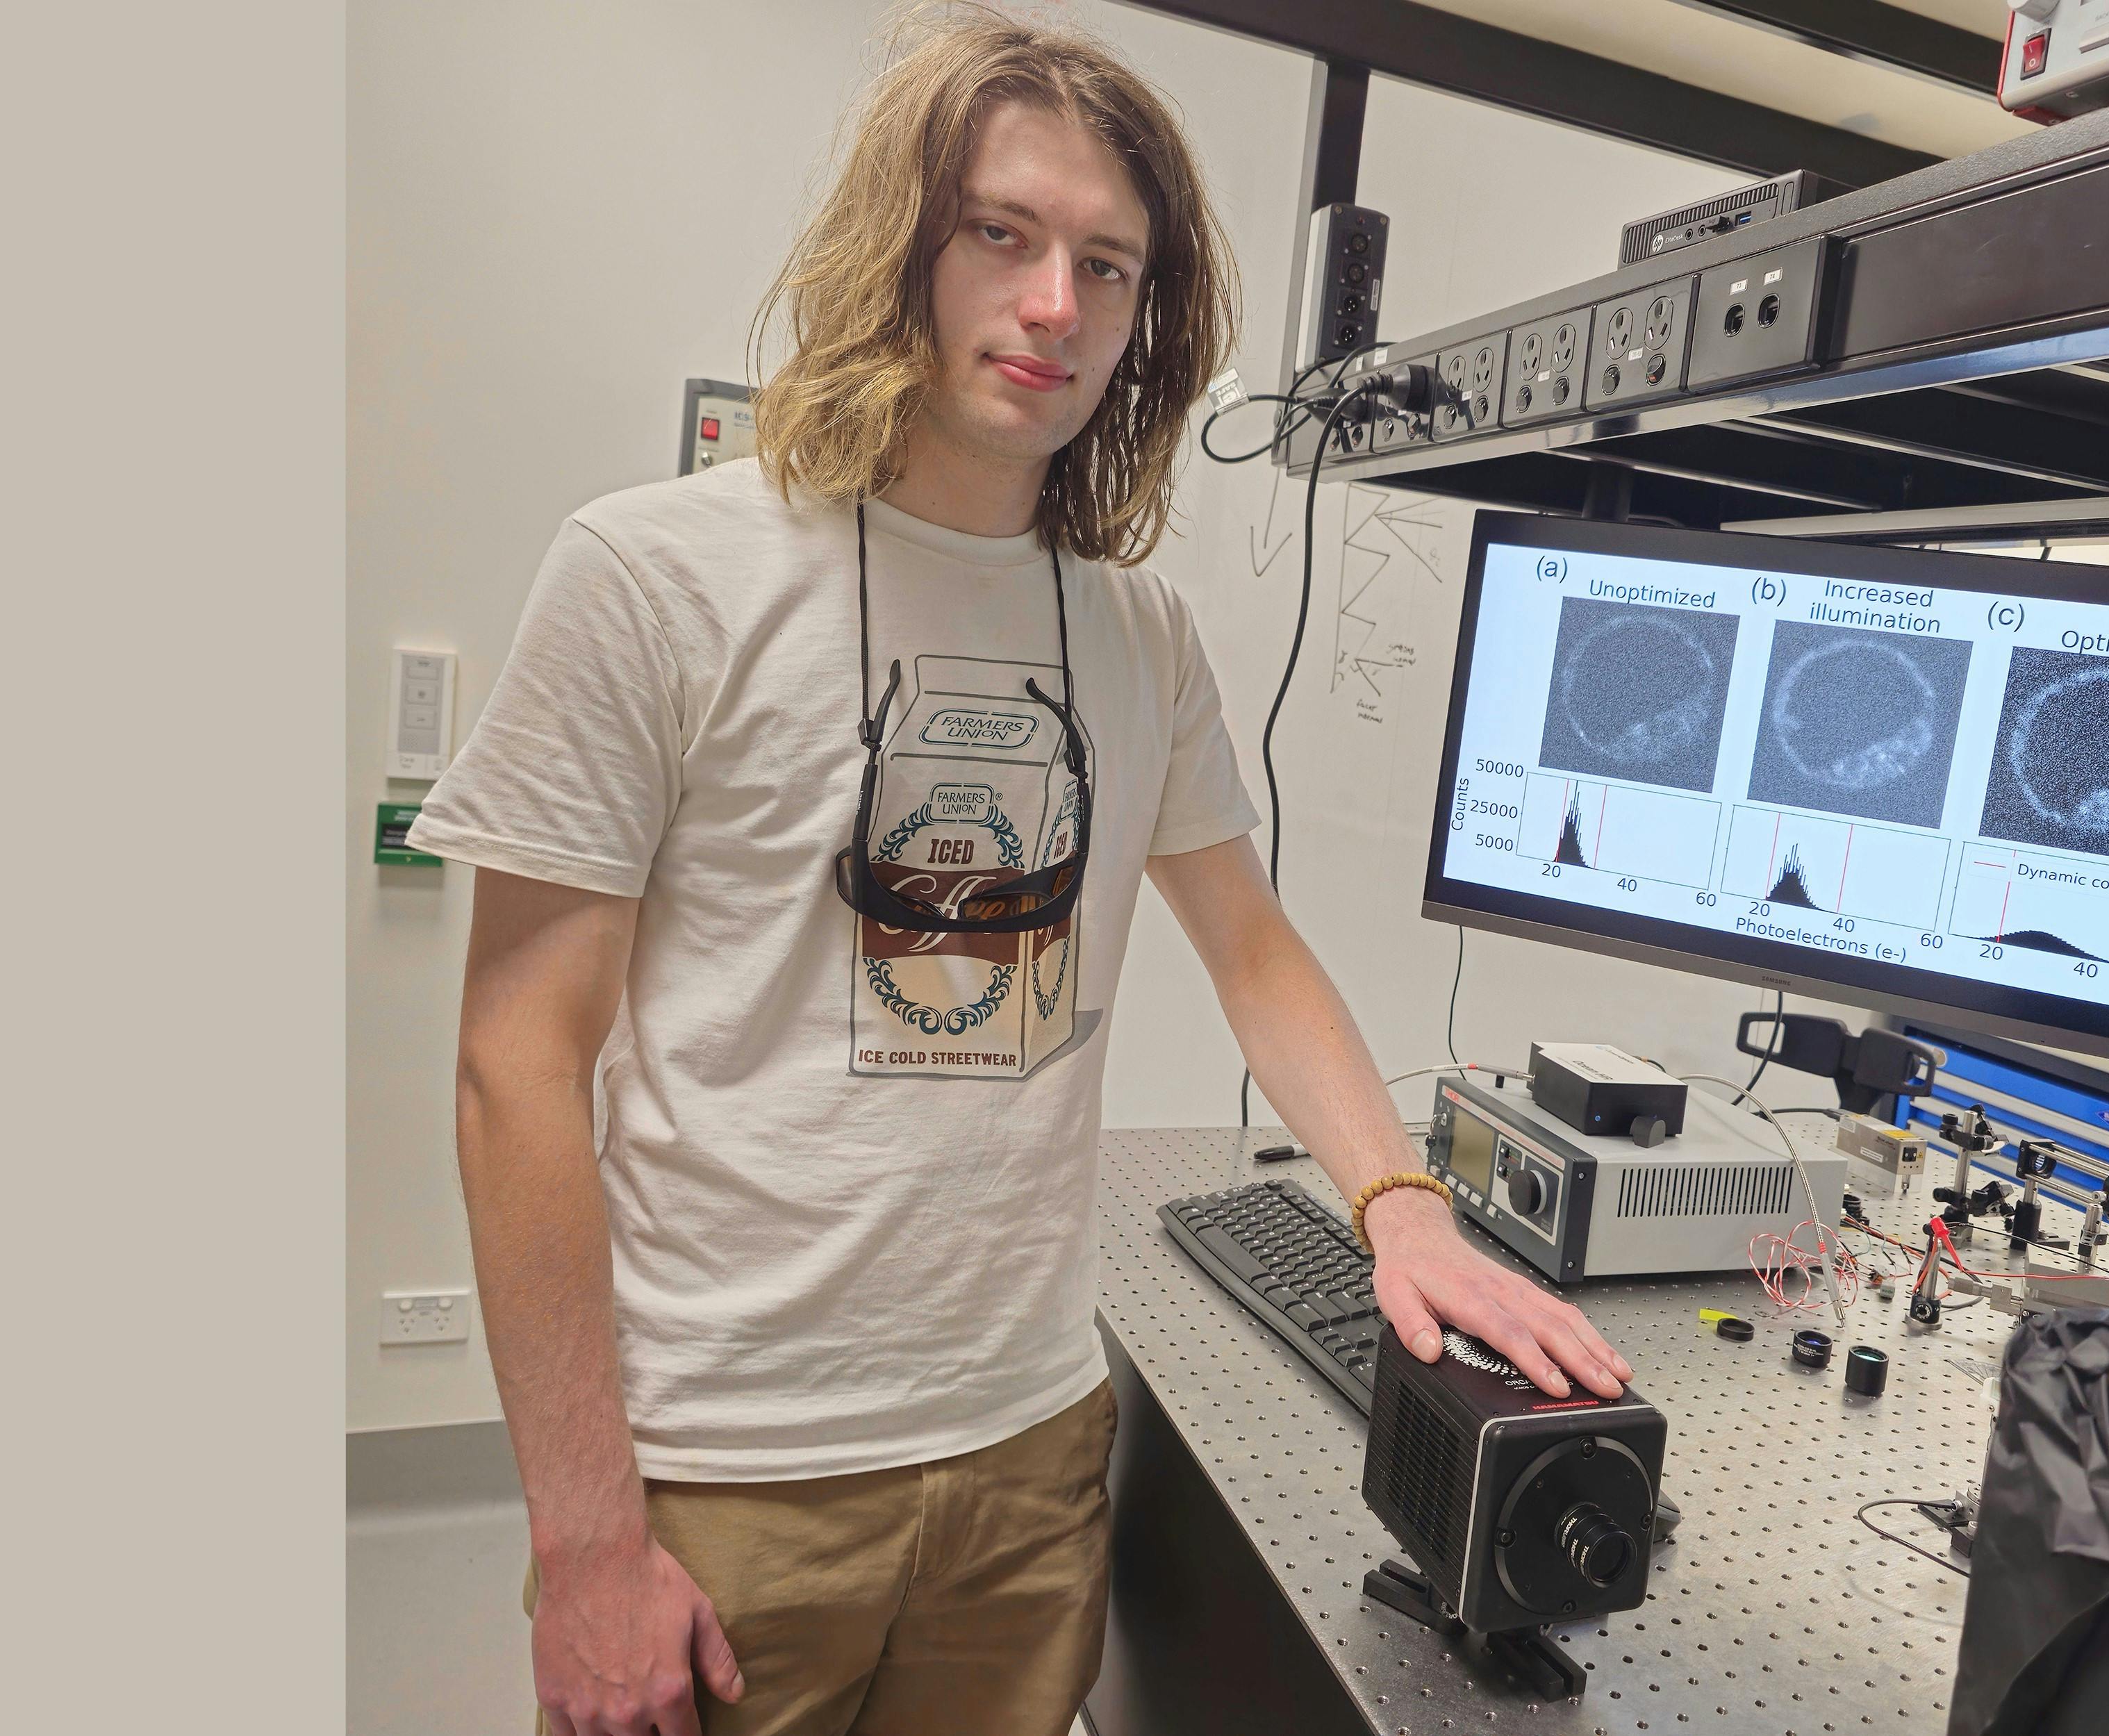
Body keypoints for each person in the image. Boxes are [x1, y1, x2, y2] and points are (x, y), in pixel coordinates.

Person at [409, 11, 1633, 1736]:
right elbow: (510, 1071)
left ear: (1150, 315)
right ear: (898, 249)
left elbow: (1255, 947)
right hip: (722, 1466)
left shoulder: (1141, 634)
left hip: (1028, 1452)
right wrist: (590, 1535)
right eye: (1002, 234)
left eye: (1108, 265)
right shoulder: (649, 576)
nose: (1055, 304)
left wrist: (1401, 1204)